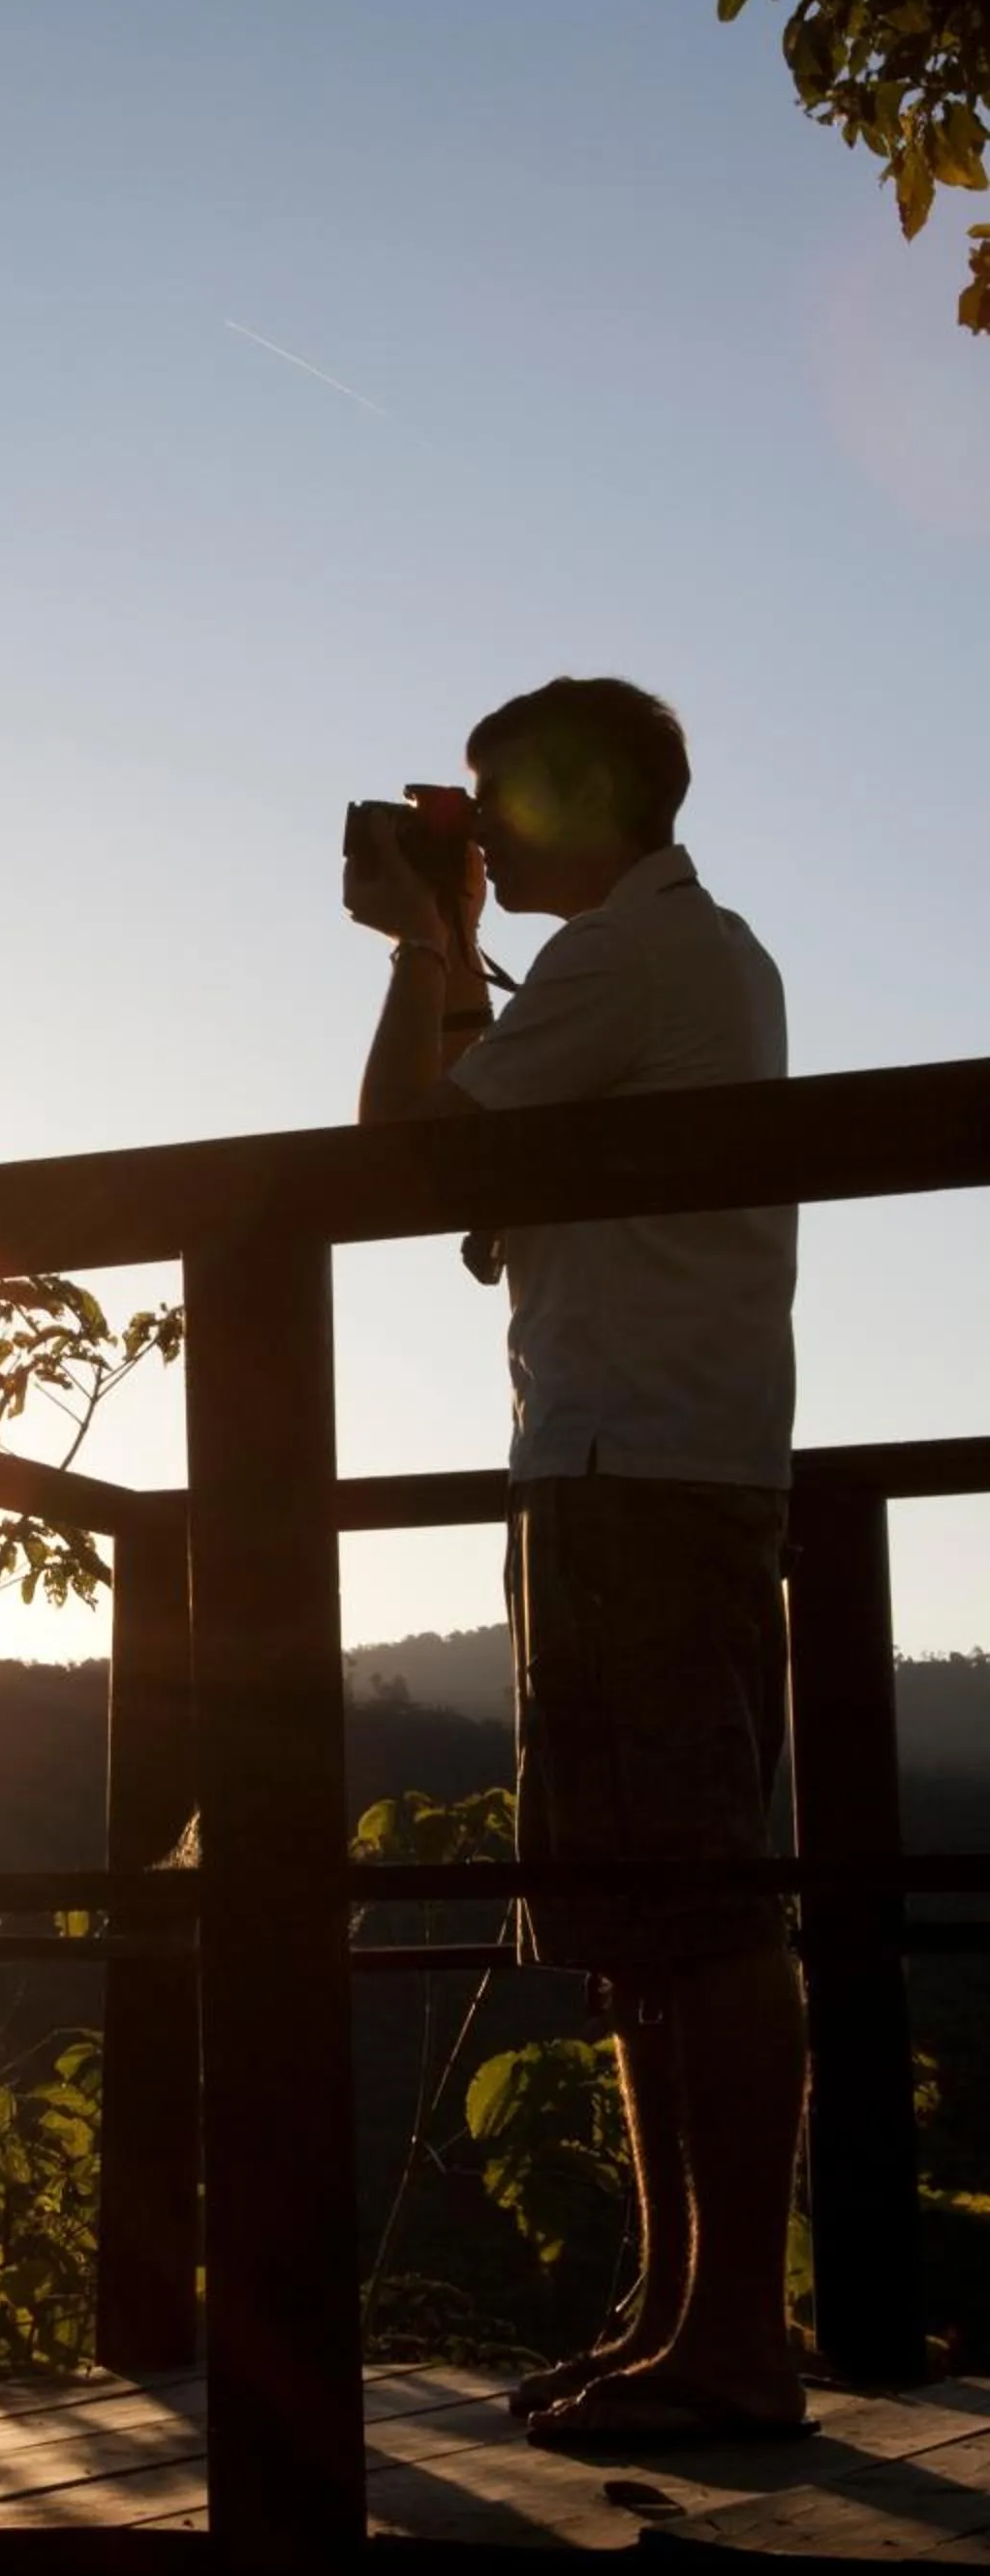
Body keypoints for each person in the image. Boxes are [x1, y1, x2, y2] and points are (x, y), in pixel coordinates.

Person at [344, 674, 809, 2447]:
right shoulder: (683, 959)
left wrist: (417, 944)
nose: (477, 826)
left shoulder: (636, 955)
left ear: (589, 787)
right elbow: (495, 1133)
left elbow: (401, 1155)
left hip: (637, 1473)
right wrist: (460, 934)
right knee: (643, 1921)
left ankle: (734, 2343)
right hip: (640, 1464)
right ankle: (679, 2315)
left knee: (692, 1906)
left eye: (495, 798)